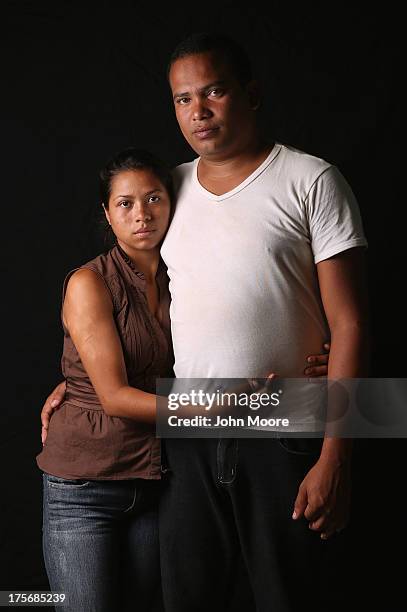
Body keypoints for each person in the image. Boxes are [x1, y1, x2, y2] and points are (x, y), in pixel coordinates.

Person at [40, 31, 366, 612]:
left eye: (213, 92)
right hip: (184, 439)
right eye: (183, 99)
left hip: (284, 419)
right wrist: (83, 382)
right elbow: (149, 306)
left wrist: (337, 453)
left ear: (252, 93)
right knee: (187, 598)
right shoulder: (168, 190)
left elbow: (351, 324)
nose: (198, 111)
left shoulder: (311, 180)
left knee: (290, 595)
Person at [36, 148, 176, 612]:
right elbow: (114, 397)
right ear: (107, 213)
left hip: (156, 479)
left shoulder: (188, 277)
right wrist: (212, 407)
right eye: (126, 203)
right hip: (85, 489)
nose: (142, 215)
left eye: (153, 198)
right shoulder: (89, 282)